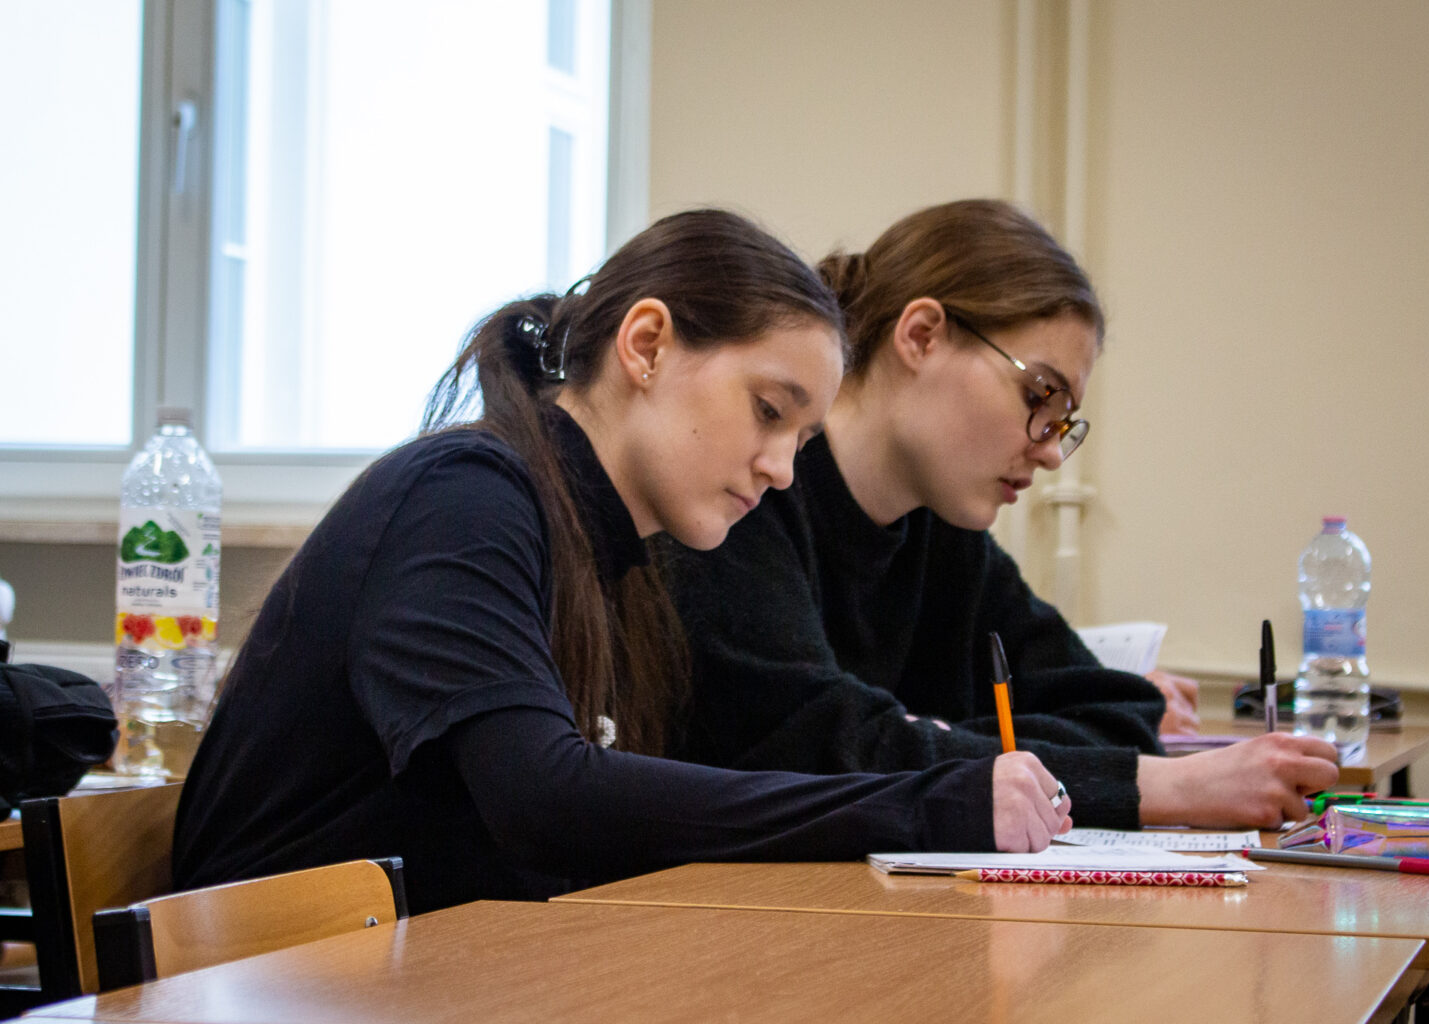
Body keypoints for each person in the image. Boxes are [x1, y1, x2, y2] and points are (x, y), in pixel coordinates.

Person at [172, 209, 1071, 914]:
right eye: (768, 411)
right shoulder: (465, 497)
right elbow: (547, 800)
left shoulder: (621, 559)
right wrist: (922, 806)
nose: (782, 470)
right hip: (272, 986)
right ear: (646, 345)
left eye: (802, 438)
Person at [659, 200, 1338, 830]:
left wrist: (932, 741)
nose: (1051, 452)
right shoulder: (746, 494)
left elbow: (1120, 715)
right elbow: (813, 746)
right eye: (1040, 395)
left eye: (1065, 422)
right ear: (922, 336)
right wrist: (1158, 787)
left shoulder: (944, 534)